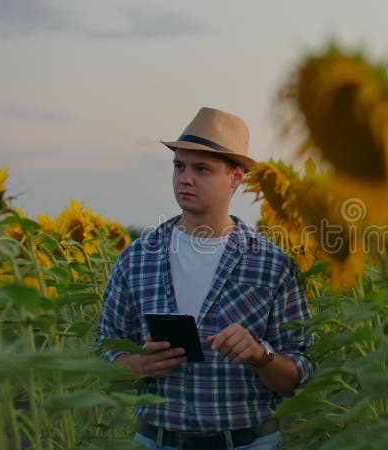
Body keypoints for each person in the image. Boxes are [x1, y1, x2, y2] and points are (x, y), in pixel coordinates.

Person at [97, 107, 314, 450]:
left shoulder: (272, 264)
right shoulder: (137, 259)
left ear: (236, 177)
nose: (185, 178)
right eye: (179, 166)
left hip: (245, 443)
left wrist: (261, 355)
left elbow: (299, 373)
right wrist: (140, 364)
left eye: (202, 169)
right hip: (158, 441)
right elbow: (105, 351)